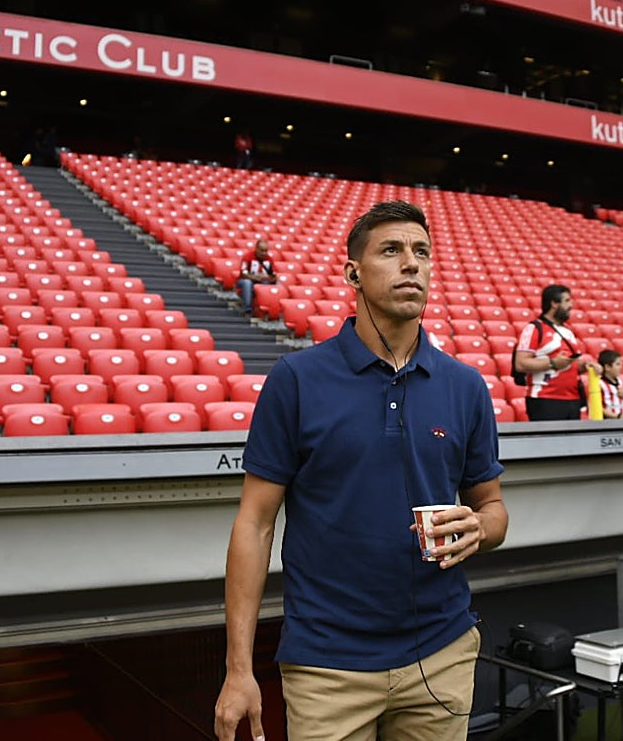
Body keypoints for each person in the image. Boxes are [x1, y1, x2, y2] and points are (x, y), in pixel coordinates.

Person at [214, 200, 507, 741]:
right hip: (327, 667)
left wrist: (480, 528)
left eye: (422, 252)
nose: (411, 263)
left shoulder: (465, 386)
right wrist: (238, 670)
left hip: (442, 654)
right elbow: (254, 525)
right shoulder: (296, 379)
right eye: (391, 250)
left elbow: (492, 507)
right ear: (353, 273)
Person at [514, 284, 592, 421]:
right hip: (545, 399)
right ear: (554, 303)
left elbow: (571, 364)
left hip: (573, 399)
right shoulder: (534, 328)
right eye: (567, 301)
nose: (571, 305)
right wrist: (552, 363)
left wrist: (585, 366)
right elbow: (520, 364)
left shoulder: (568, 331)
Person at [235, 239, 276, 315]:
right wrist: (256, 278)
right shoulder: (247, 257)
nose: (264, 253)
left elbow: (273, 276)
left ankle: (267, 309)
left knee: (272, 284)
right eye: (262, 251)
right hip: (245, 281)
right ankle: (247, 309)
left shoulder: (269, 259)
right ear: (256, 249)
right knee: (247, 283)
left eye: (266, 251)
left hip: (262, 281)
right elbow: (244, 273)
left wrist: (268, 277)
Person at [596, 349, 623, 419]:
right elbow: (597, 407)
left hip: (622, 421)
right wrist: (617, 416)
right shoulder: (599, 384)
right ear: (607, 367)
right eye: (618, 364)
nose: (621, 367)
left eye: (621, 364)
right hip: (608, 422)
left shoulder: (620, 382)